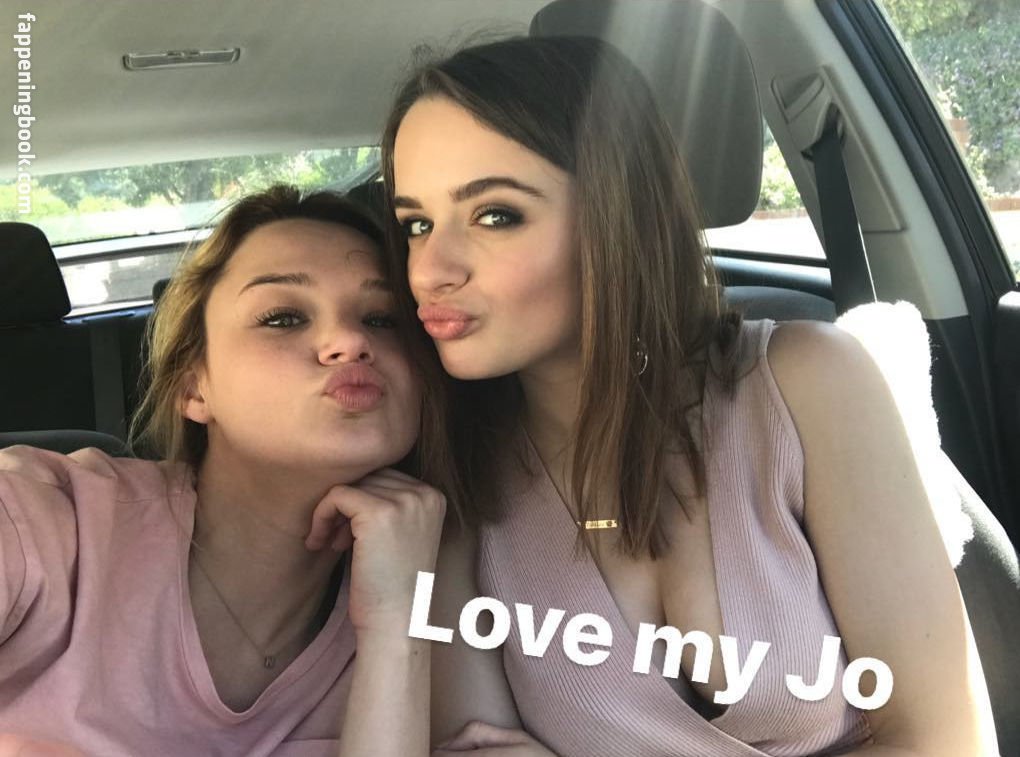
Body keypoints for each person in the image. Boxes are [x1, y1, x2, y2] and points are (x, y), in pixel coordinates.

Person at [380, 36, 999, 756]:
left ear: (619, 215)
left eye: (495, 215)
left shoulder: (807, 383)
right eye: (416, 224)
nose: (430, 269)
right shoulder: (455, 477)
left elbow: (945, 739)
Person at [0, 185, 451, 756]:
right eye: (283, 318)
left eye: (383, 319)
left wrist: (395, 622)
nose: (351, 340)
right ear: (194, 388)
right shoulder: (38, 520)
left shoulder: (440, 589)